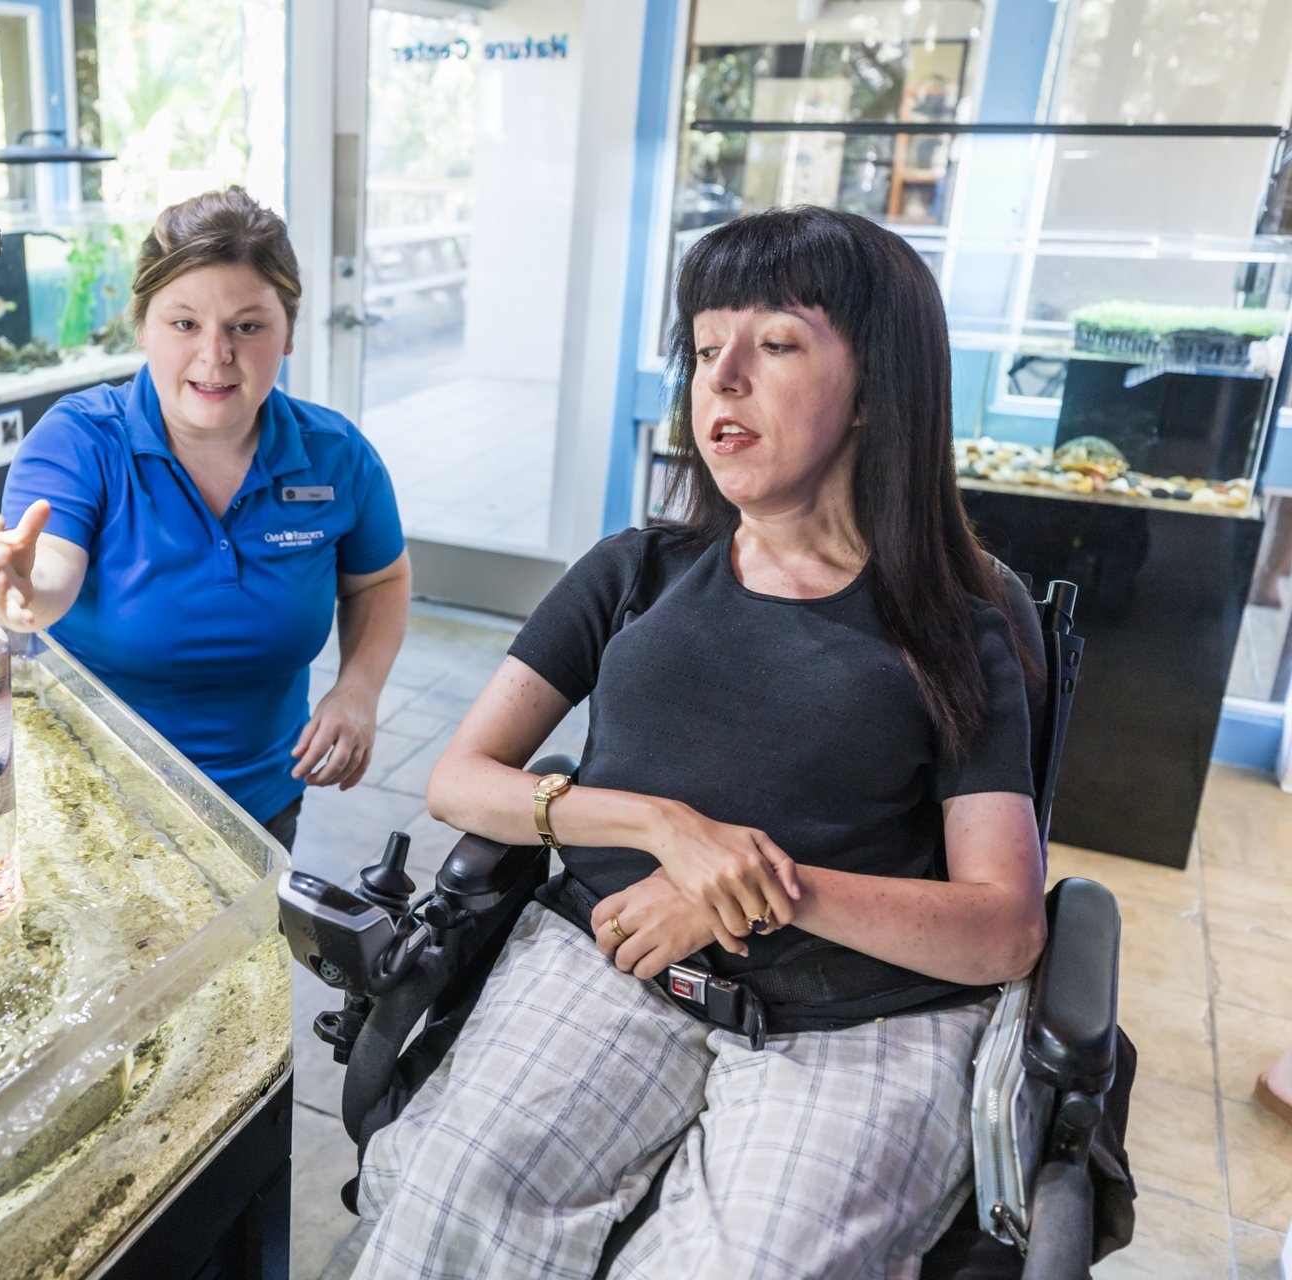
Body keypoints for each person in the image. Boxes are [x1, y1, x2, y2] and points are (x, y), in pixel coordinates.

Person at [352, 206, 1048, 1279]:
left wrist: (753, 888)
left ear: (877, 389)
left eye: (773, 344)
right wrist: (660, 826)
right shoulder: (639, 569)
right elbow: (460, 779)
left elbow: (1003, 928)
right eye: (706, 343)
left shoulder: (959, 629)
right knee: (448, 1198)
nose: (721, 376)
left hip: (854, 1019)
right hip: (609, 962)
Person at [0, 188, 411, 851]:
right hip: (94, 799)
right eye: (184, 325)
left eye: (248, 326)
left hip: (262, 803)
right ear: (141, 326)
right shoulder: (80, 440)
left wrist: (358, 689)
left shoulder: (338, 456)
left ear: (287, 332)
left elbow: (380, 581)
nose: (215, 355)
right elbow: (52, 567)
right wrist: (25, 589)